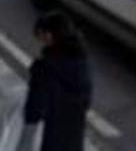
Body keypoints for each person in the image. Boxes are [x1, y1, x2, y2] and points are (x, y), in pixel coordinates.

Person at [22, 11, 92, 151]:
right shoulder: (82, 60)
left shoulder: (45, 67)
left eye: (40, 36)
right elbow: (87, 99)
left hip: (52, 131)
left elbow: (34, 110)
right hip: (74, 131)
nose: (40, 41)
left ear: (49, 35)